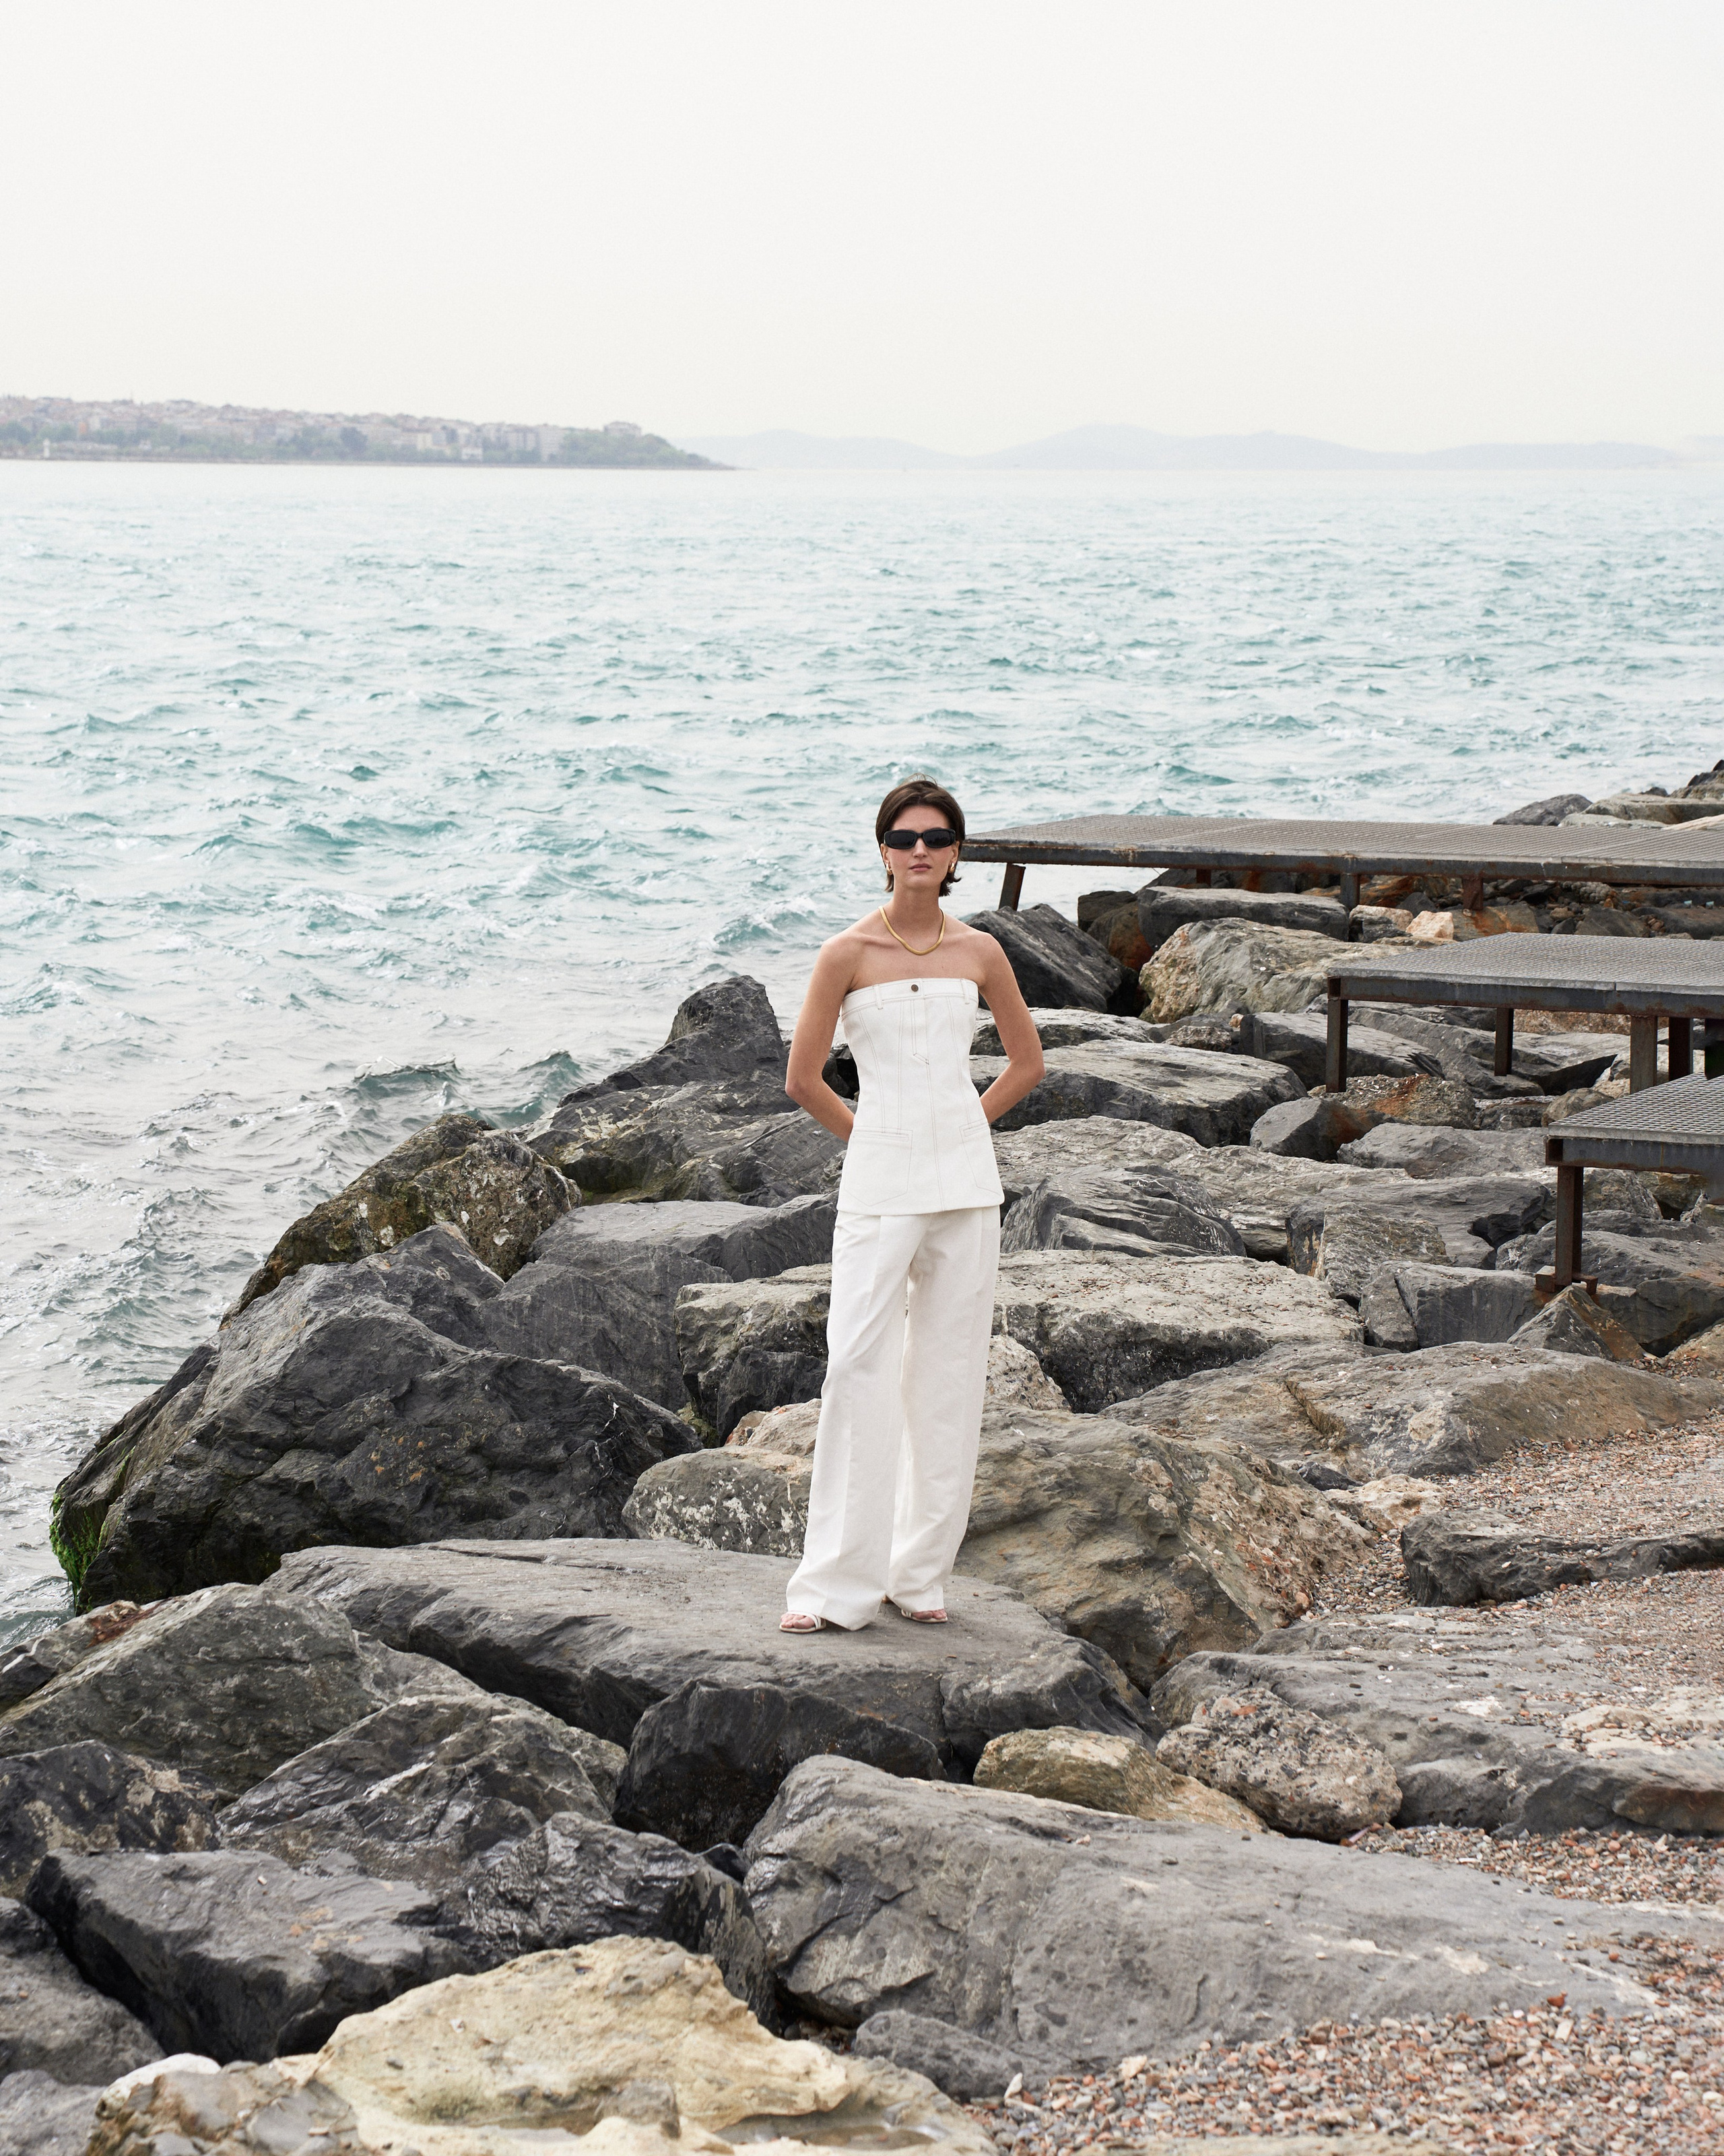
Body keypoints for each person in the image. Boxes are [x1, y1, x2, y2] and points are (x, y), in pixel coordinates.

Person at [777, 776, 1045, 1632]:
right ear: (883, 849)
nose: (919, 850)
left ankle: (918, 1574)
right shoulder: (846, 954)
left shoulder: (981, 953)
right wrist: (872, 1137)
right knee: (856, 1367)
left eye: (935, 837)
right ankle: (830, 1589)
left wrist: (966, 1125)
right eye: (903, 837)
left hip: (965, 1185)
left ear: (957, 851)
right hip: (880, 1182)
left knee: (948, 1375)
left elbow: (1026, 1063)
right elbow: (803, 1079)